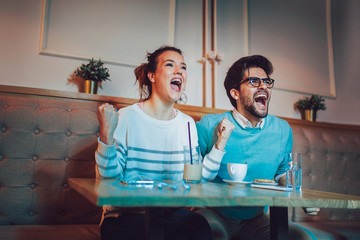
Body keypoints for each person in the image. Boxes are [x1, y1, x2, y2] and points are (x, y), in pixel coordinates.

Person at [95, 46, 212, 240]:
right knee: (168, 234)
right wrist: (106, 137)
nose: (179, 71)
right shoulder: (125, 117)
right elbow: (109, 182)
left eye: (183, 67)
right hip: (125, 217)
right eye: (169, 65)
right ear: (152, 76)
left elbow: (193, 181)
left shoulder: (188, 125)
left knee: (200, 228)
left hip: (171, 214)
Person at [196, 55, 316, 239]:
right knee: (211, 233)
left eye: (267, 82)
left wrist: (302, 196)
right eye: (254, 81)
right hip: (213, 215)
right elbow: (192, 176)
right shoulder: (208, 125)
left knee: (302, 238)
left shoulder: (282, 130)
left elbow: (282, 174)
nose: (264, 87)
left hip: (257, 220)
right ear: (235, 93)